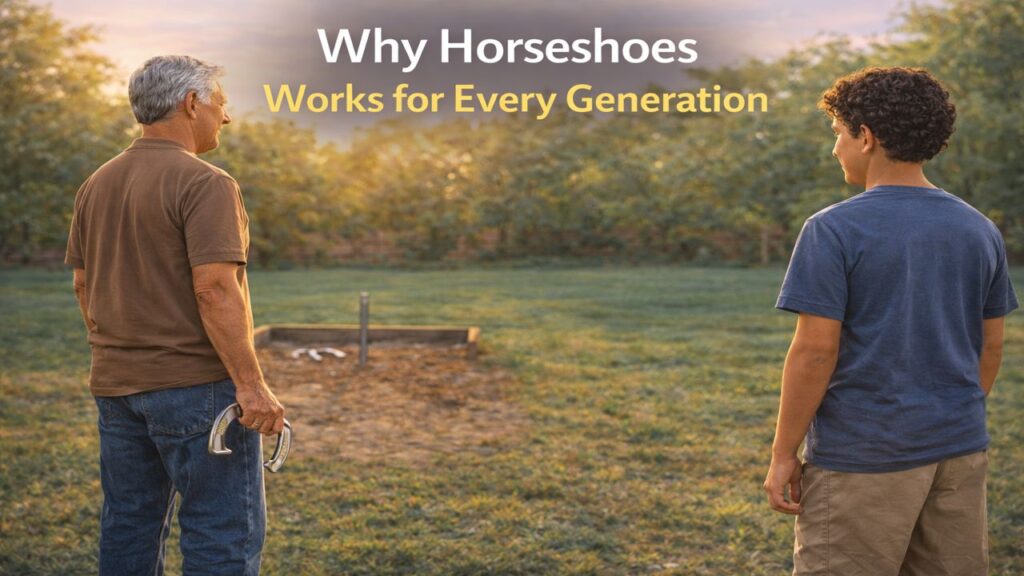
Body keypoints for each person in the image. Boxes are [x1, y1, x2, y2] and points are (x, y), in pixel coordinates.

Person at [763, 67, 1017, 575]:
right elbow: (990, 349)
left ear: (867, 137)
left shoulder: (832, 230)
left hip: (865, 457)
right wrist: (941, 415)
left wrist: (783, 453)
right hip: (959, 448)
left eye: (838, 134)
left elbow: (815, 352)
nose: (835, 149)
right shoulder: (979, 228)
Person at [65, 55, 285, 575]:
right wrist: (252, 387)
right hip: (197, 392)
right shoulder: (207, 182)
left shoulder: (96, 184)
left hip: (117, 389)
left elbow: (82, 284)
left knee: (130, 524)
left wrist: (124, 352)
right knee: (221, 531)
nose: (224, 118)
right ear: (191, 104)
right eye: (220, 104)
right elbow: (214, 289)